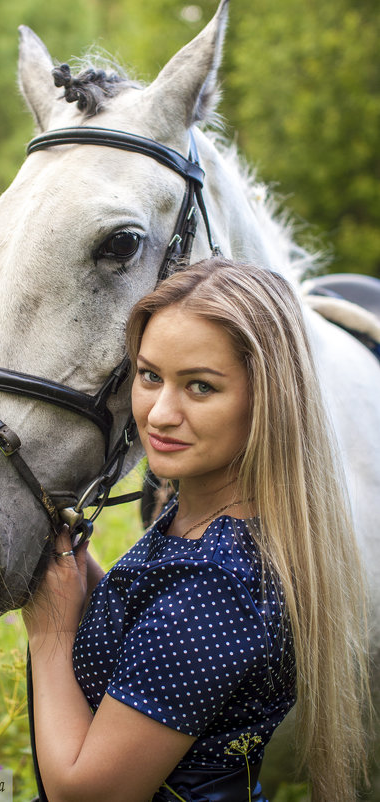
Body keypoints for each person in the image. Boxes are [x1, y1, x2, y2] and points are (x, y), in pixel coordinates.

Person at [22, 258, 370, 802]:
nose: (160, 413)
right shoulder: (198, 512)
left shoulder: (218, 587)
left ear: (268, 401)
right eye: (150, 375)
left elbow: (87, 794)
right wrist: (81, 575)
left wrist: (50, 637)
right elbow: (150, 632)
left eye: (201, 387)